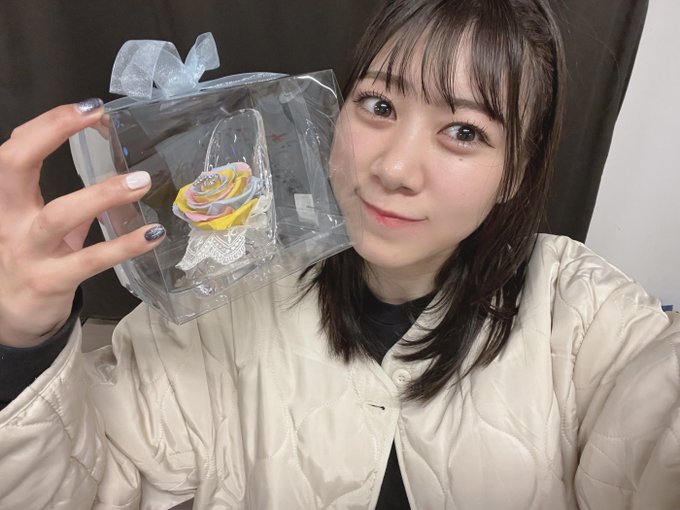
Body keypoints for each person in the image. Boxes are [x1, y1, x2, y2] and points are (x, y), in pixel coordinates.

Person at [0, 0, 678, 508]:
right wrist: (23, 344)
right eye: (379, 105)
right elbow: (81, 489)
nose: (394, 168)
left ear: (516, 172)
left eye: (464, 131)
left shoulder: (583, 315)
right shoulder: (222, 300)